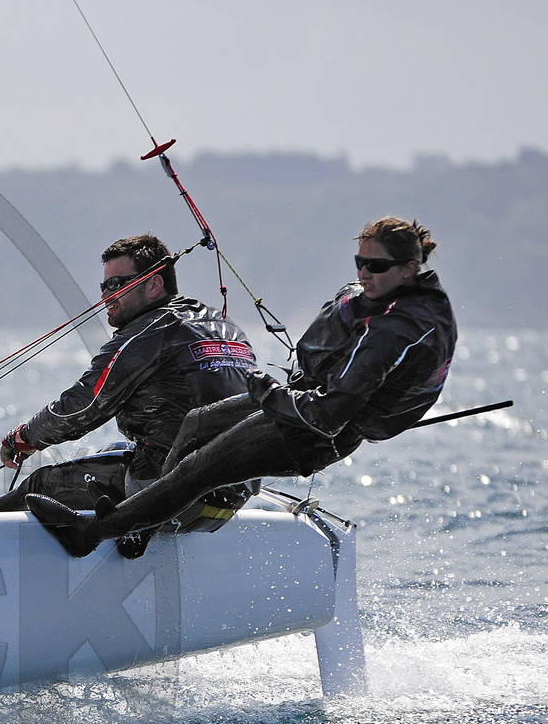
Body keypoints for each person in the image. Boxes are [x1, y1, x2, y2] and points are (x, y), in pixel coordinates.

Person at [28, 216, 457, 557]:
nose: (363, 273)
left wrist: (269, 393)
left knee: (199, 468)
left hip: (311, 434)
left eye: (376, 266)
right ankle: (148, 514)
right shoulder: (383, 298)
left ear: (409, 269)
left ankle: (94, 532)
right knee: (197, 423)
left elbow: (328, 416)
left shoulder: (398, 330)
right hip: (297, 404)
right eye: (359, 263)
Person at [0, 234, 258, 522]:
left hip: (174, 494)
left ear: (153, 284)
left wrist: (24, 437)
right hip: (233, 494)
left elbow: (85, 405)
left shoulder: (148, 331)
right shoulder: (228, 329)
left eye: (115, 284)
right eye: (103, 286)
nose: (105, 296)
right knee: (115, 450)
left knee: (39, 487)